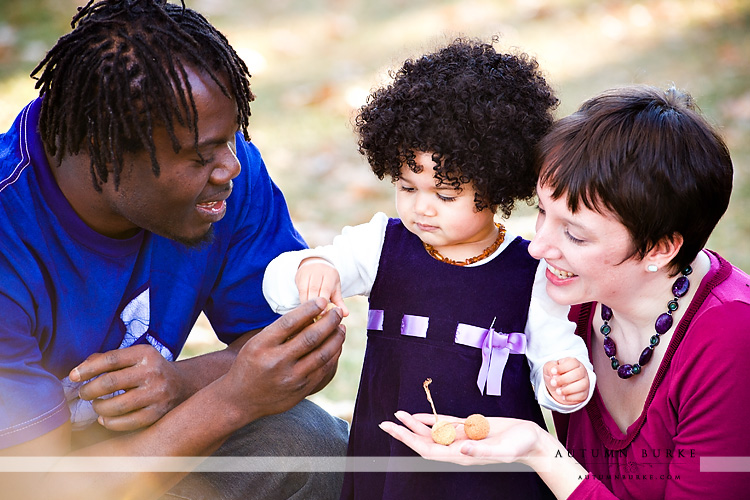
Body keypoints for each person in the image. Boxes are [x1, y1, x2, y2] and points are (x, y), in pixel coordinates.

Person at [0, 1, 349, 499]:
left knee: (311, 445)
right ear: (105, 148)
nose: (230, 167)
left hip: (127, 453)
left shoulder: (224, 181)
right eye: (200, 155)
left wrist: (185, 382)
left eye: (230, 140)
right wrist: (229, 399)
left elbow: (295, 348)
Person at [263, 38, 596, 500]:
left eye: (444, 195)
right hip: (391, 458)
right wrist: (311, 267)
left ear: (498, 183)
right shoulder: (382, 244)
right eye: (406, 186)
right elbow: (279, 281)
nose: (421, 208)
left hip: (491, 470)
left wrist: (568, 379)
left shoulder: (528, 268)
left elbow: (554, 358)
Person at [379, 85, 750, 499]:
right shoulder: (571, 298)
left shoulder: (732, 343)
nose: (537, 248)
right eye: (541, 211)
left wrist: (541, 451)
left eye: (574, 234)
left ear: (660, 249)